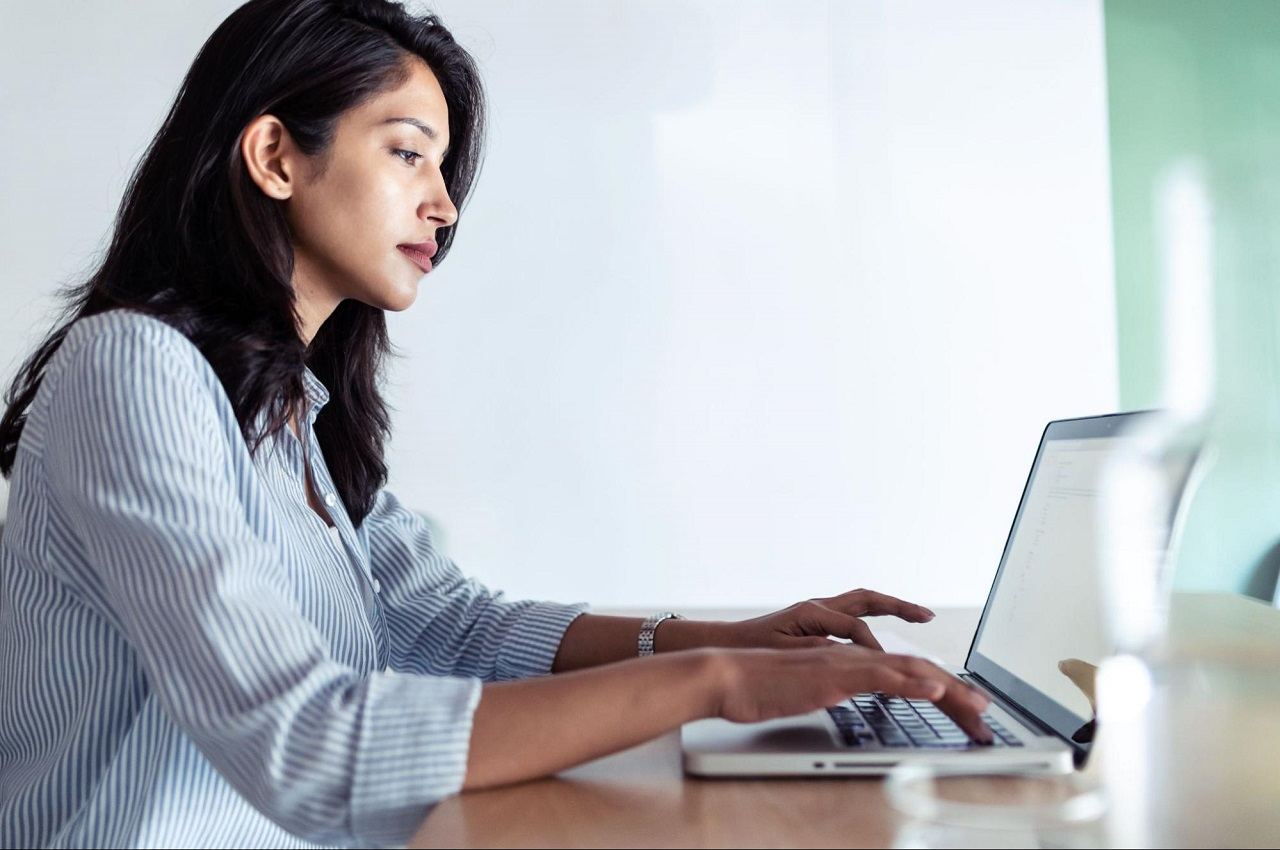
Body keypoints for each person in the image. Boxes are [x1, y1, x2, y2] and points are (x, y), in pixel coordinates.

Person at [0, 1, 992, 846]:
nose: (443, 207)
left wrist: (719, 639)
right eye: (406, 155)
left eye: (443, 173)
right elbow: (302, 744)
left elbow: (445, 624)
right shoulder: (129, 370)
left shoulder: (293, 409)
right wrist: (711, 680)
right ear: (273, 156)